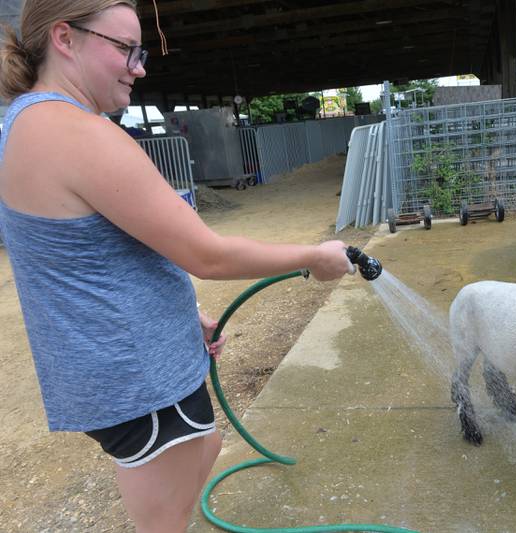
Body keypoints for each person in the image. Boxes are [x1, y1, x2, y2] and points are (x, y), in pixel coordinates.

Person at [0, 1, 353, 531]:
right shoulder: (75, 132)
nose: (140, 67)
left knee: (203, 447)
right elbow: (206, 255)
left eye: (138, 52)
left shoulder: (24, 121)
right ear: (65, 38)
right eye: (125, 49)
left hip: (121, 362)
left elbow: (90, 257)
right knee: (167, 517)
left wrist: (179, 313)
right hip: (135, 376)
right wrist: (315, 256)